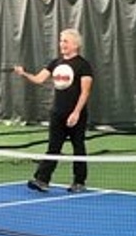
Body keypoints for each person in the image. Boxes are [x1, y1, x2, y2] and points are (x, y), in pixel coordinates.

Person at [13, 28, 94, 193]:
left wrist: (76, 112)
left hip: (76, 115)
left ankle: (79, 182)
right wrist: (24, 73)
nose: (62, 44)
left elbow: (85, 91)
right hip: (57, 113)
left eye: (65, 41)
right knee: (53, 147)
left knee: (78, 148)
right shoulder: (56, 63)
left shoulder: (83, 65)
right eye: (61, 40)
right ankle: (42, 180)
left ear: (75, 44)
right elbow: (39, 79)